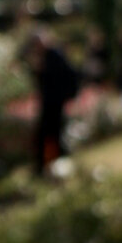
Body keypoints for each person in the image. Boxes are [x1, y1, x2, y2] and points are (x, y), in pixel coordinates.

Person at [21, 30, 79, 176]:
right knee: (49, 135)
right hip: (49, 103)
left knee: (51, 134)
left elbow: (69, 75)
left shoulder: (54, 55)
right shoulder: (43, 57)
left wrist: (68, 96)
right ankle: (47, 166)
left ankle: (53, 165)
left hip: (54, 102)